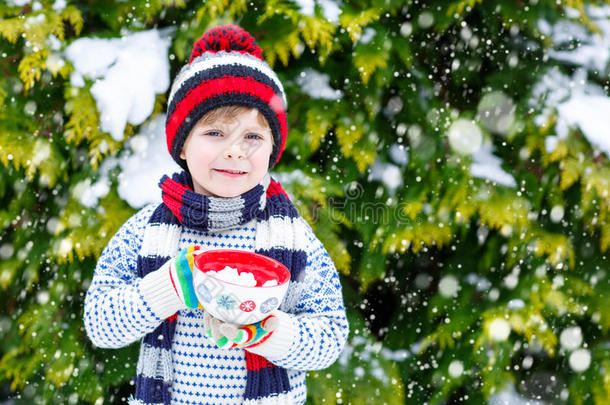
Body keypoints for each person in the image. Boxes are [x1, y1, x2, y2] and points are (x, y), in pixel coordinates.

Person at [83, 25, 349, 405]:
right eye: (215, 133)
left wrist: (272, 334)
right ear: (183, 145)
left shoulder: (295, 238)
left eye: (253, 137)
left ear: (273, 149)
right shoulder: (145, 231)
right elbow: (100, 323)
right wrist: (168, 288)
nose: (235, 151)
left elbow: (330, 336)